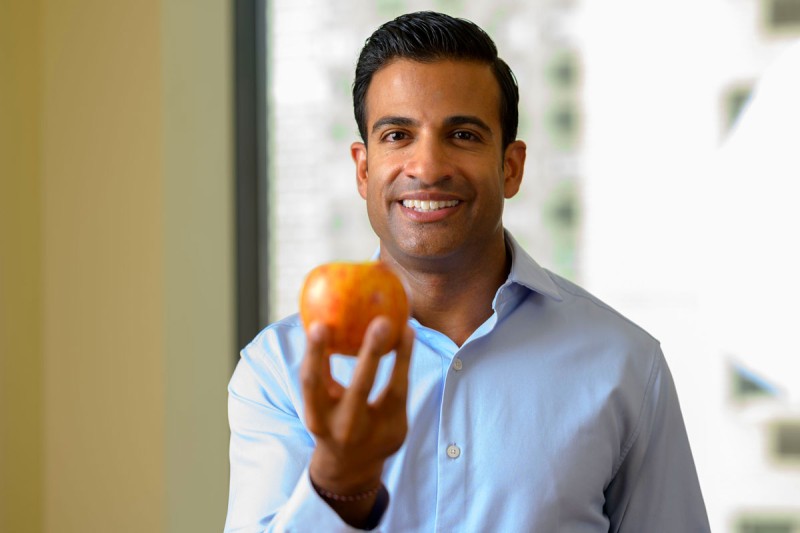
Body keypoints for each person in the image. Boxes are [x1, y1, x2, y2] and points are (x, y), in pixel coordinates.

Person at [224, 11, 710, 532]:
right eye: (397, 135)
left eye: (461, 134)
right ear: (363, 170)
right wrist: (339, 486)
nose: (428, 167)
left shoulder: (625, 366)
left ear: (511, 167)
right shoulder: (278, 371)